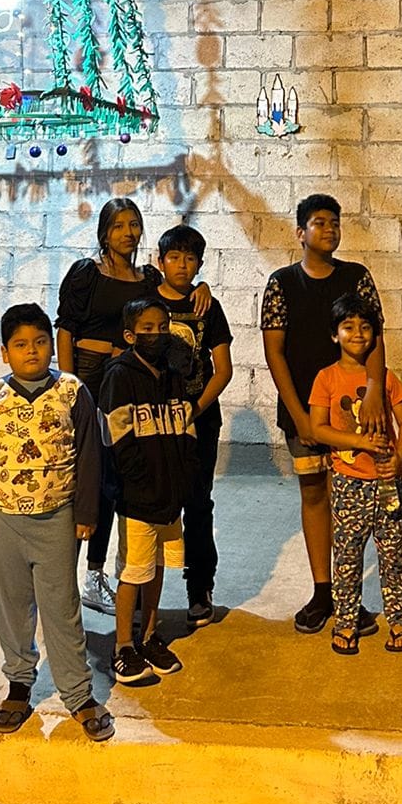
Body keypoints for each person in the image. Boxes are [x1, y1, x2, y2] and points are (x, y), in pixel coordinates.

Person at [0, 302, 114, 740]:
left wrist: (86, 513)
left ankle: (78, 694)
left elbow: (90, 456)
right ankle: (19, 684)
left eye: (40, 342)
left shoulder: (72, 392)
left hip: (57, 519)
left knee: (62, 609)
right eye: (21, 344)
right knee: (10, 608)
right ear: (4, 352)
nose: (32, 351)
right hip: (3, 519)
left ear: (52, 347)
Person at [56, 198, 209, 614]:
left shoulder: (148, 279)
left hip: (126, 381)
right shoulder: (86, 273)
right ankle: (62, 581)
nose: (128, 232)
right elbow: (66, 330)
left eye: (134, 224)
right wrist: (69, 389)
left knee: (112, 480)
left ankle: (94, 575)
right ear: (104, 233)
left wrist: (202, 288)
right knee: (82, 478)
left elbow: (172, 298)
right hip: (89, 376)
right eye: (119, 225)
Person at [261, 193, 386, 635]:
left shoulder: (357, 278)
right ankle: (323, 591)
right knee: (314, 494)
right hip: (304, 410)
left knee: (350, 501)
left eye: (335, 222)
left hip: (353, 412)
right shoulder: (282, 283)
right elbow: (275, 353)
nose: (329, 229)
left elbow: (375, 337)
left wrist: (375, 390)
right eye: (319, 222)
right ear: (301, 232)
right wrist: (299, 415)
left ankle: (350, 594)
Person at [308, 292, 402, 655]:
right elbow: (318, 428)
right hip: (347, 482)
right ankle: (346, 622)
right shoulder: (326, 378)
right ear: (334, 334)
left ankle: (400, 618)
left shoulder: (384, 379)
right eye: (348, 327)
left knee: (394, 554)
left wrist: (398, 459)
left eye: (365, 327)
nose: (357, 334)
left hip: (387, 482)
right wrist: (359, 441)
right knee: (347, 556)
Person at [100, 296, 198, 686]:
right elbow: (118, 441)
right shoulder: (119, 376)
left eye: (162, 327)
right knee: (133, 571)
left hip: (170, 499)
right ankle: (123, 645)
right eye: (147, 329)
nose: (156, 335)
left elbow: (186, 429)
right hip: (139, 501)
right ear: (130, 335)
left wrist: (182, 482)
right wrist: (141, 487)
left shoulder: (172, 375)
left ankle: (149, 634)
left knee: (157, 567)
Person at [154, 223, 234, 629]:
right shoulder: (145, 303)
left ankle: (199, 588)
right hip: (152, 425)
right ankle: (141, 590)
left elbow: (223, 369)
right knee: (149, 505)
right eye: (174, 257)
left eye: (190, 259)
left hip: (199, 422)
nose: (182, 266)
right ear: (160, 261)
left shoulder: (208, 307)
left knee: (198, 504)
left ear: (200, 264)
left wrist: (195, 409)